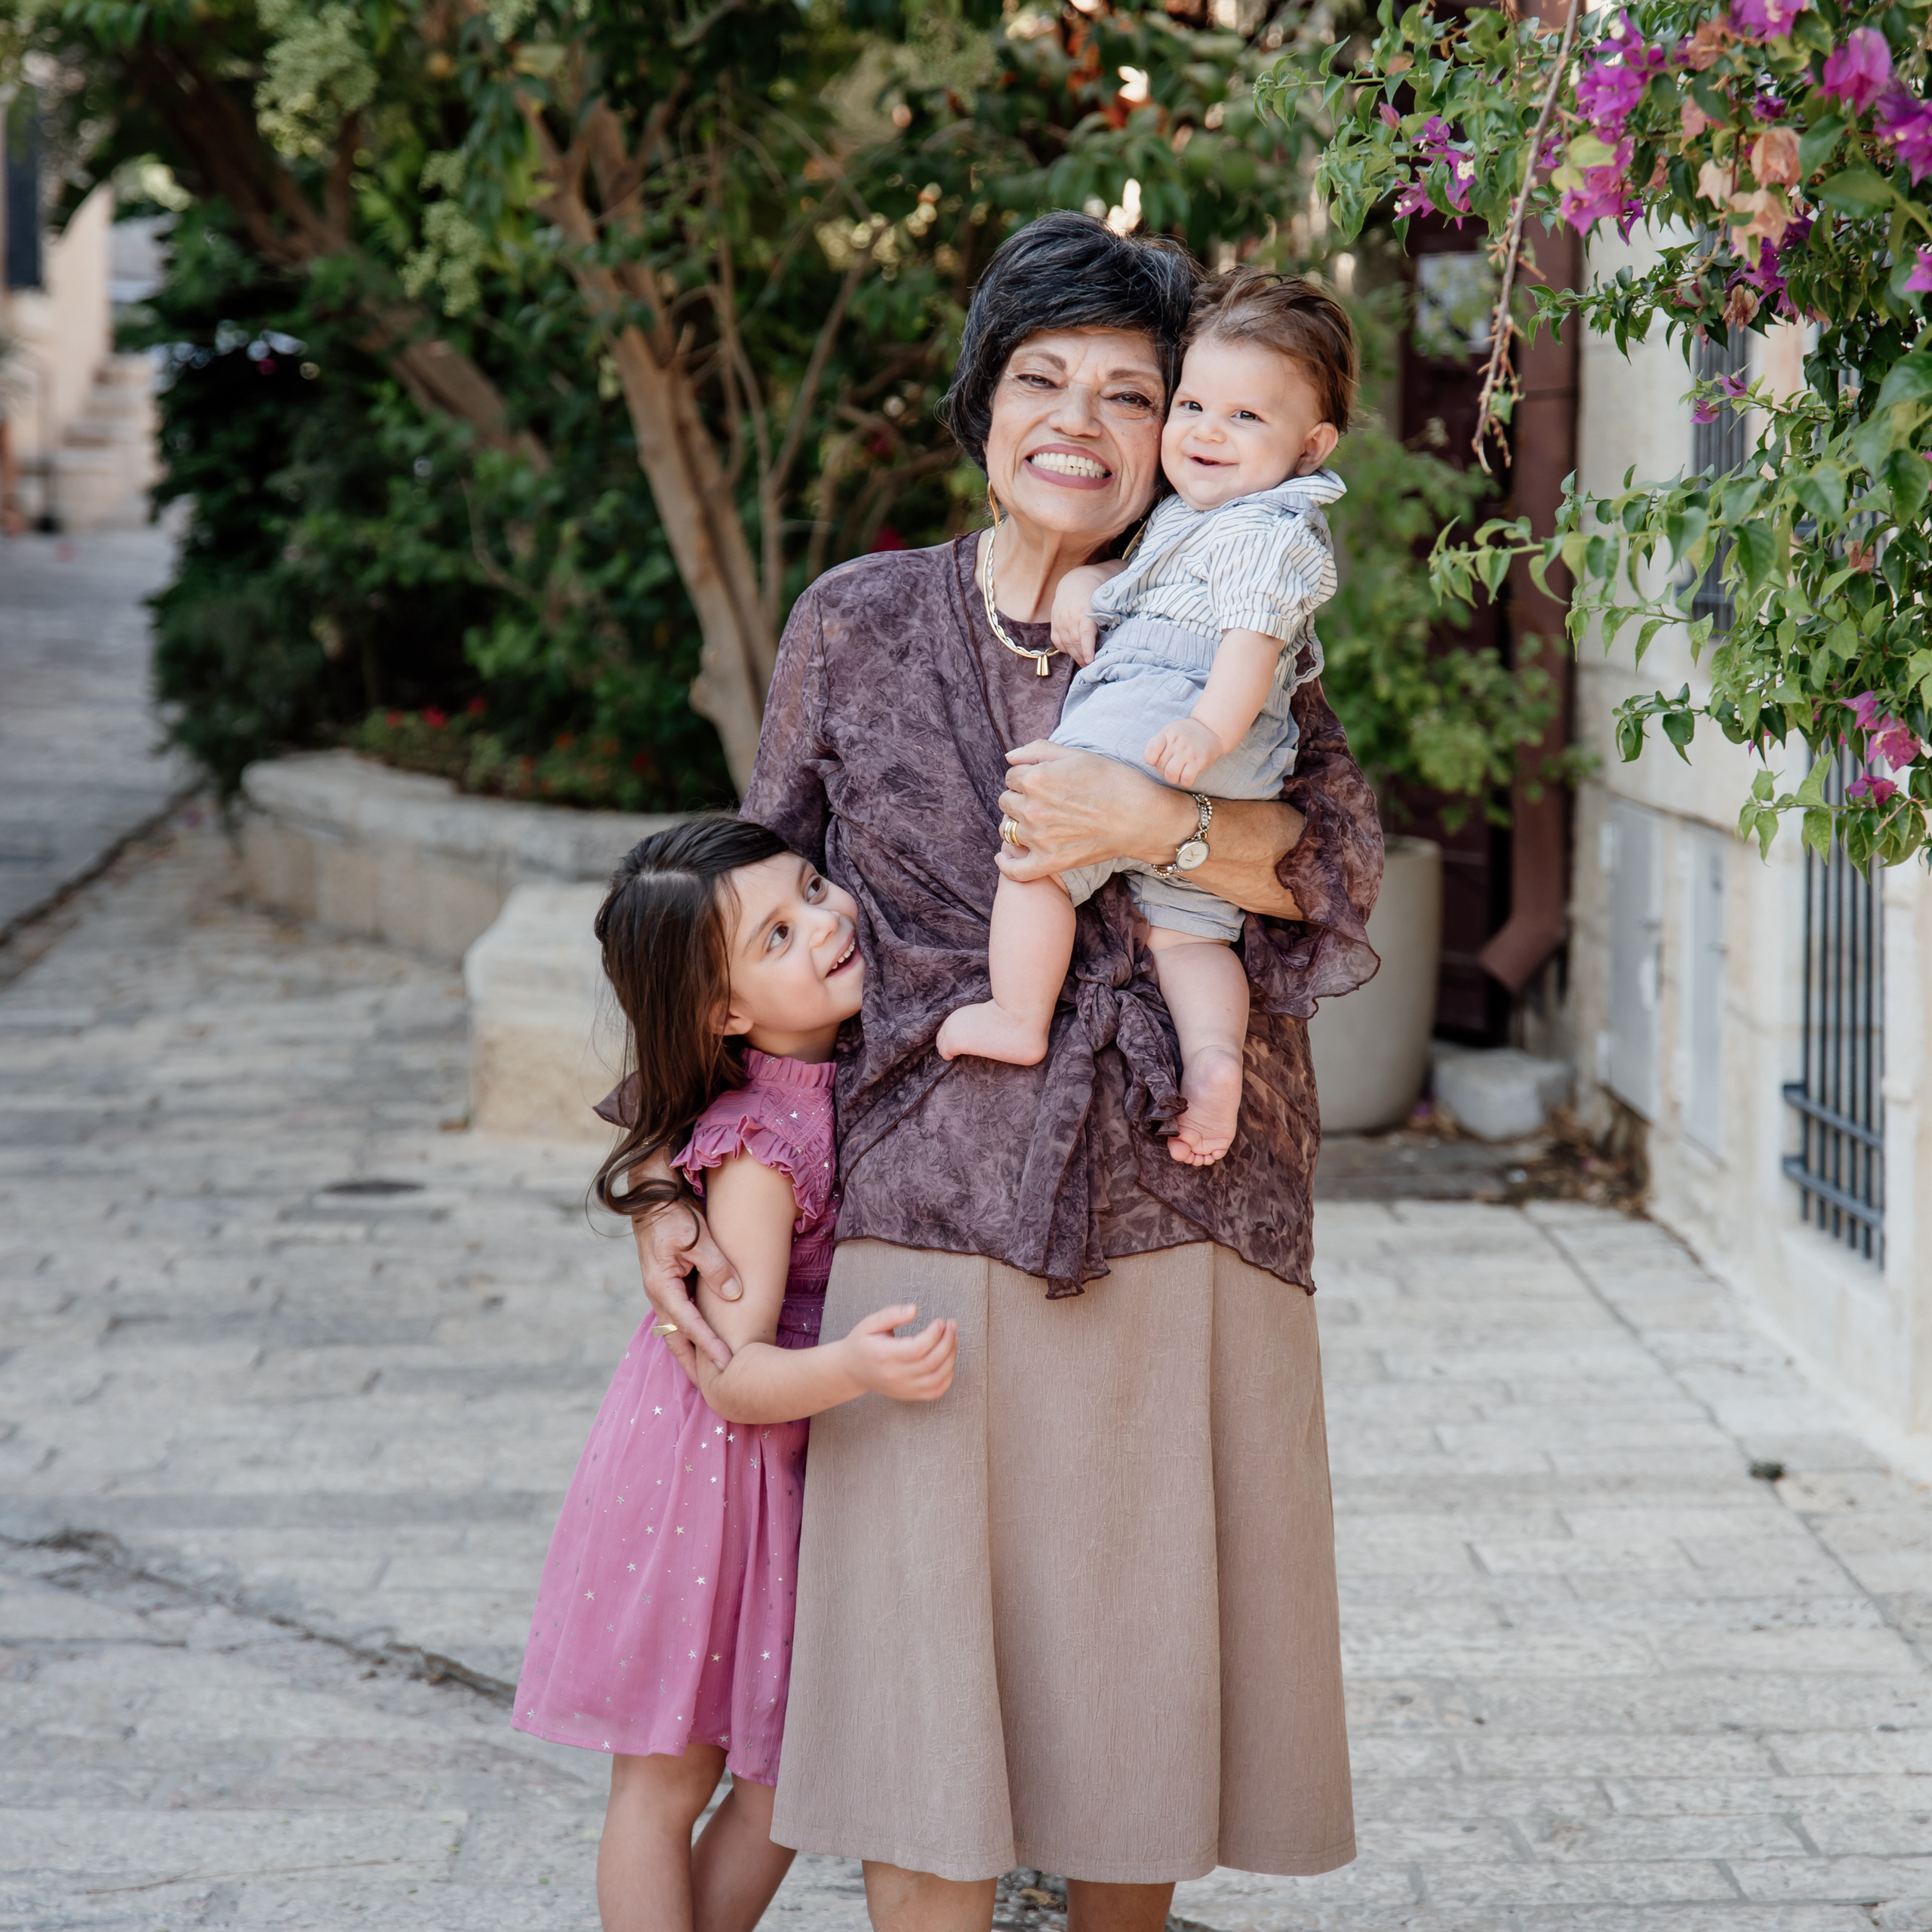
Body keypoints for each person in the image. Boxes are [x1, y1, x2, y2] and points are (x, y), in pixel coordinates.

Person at [633, 211, 1381, 1932]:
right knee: (918, 1718)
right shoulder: (860, 619)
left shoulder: (1230, 612)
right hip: (921, 1195)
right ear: (981, 401)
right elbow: (738, 909)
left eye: (1133, 392)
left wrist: (1164, 818)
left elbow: (1333, 870)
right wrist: (668, 1174)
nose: (1083, 420)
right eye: (1041, 377)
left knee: (1135, 1696)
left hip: (1180, 1198)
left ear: (1188, 423)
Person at [512, 817, 958, 1932]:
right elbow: (730, 1376)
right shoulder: (762, 1144)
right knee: (670, 1779)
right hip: (706, 1482)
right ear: (725, 1014)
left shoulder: (821, 1080)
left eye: (813, 888)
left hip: (763, 1476)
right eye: (777, 934)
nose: (827, 921)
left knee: (779, 1784)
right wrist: (854, 1365)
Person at [937, 269, 1357, 1169]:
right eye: (1194, 405)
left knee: (1041, 847)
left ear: (1313, 445)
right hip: (1227, 749)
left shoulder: (1265, 528)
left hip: (1173, 713)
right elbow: (1153, 592)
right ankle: (1211, 1063)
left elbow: (1248, 639)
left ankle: (1016, 1014)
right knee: (1190, 931)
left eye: (1246, 418)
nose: (1208, 430)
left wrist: (1204, 731)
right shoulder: (1200, 518)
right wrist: (1094, 584)